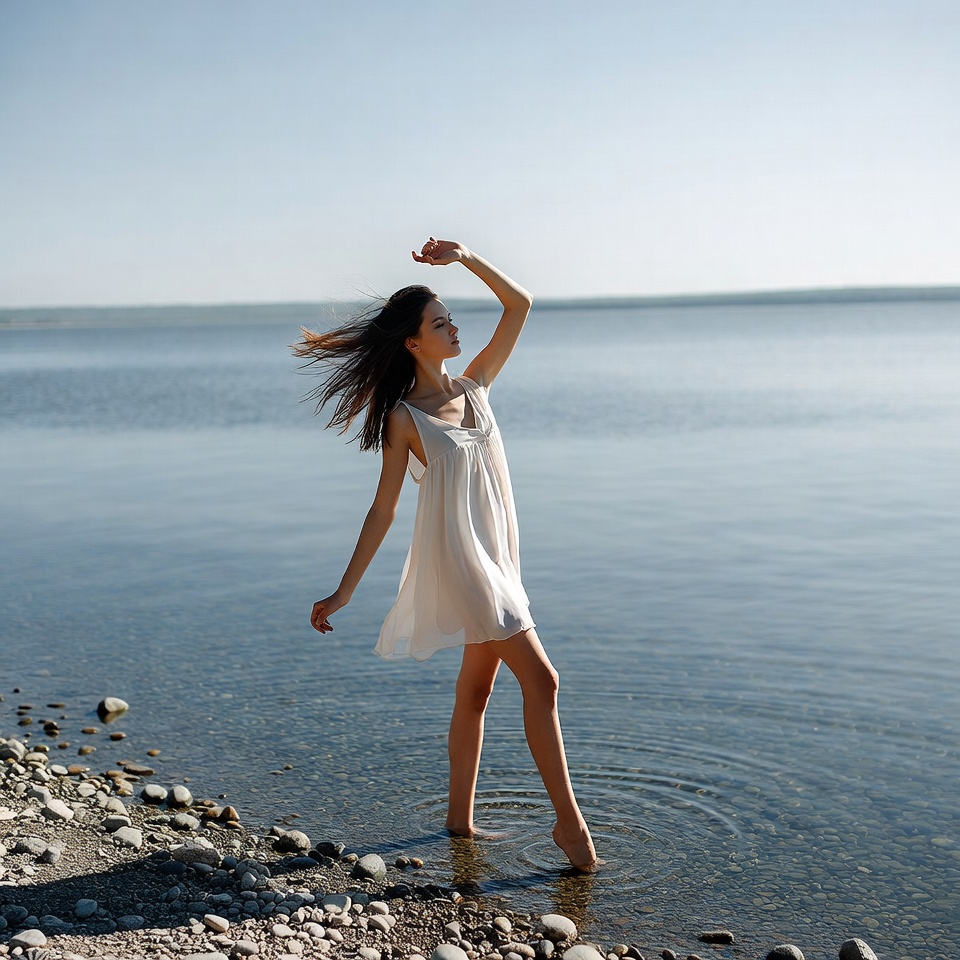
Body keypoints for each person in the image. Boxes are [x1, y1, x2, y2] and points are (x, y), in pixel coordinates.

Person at [294, 238, 597, 871]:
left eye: (449, 318)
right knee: (544, 680)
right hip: (466, 567)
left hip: (499, 560)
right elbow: (384, 509)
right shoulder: (407, 419)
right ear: (413, 342)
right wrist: (344, 591)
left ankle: (458, 824)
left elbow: (520, 305)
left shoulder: (476, 386)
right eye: (440, 322)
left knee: (476, 692)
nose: (454, 327)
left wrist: (464, 259)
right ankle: (570, 830)